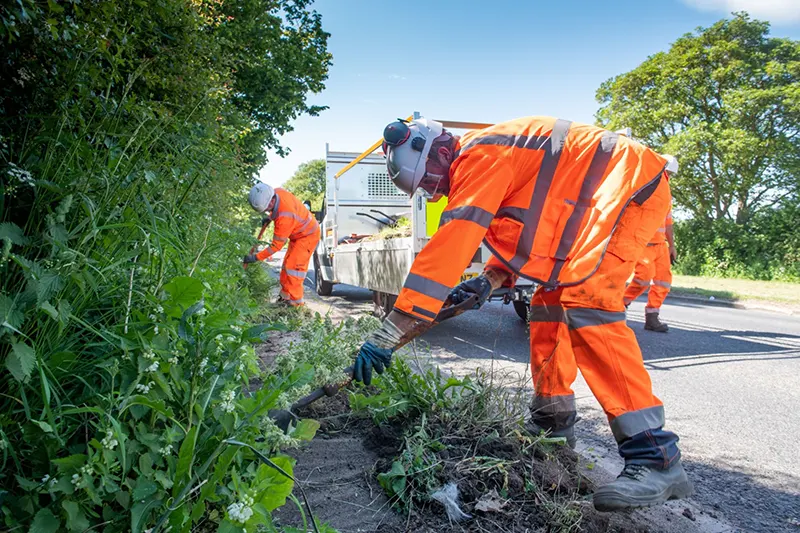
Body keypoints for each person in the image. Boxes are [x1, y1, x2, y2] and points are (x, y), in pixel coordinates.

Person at [351, 116, 692, 512]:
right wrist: (490, 280)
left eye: (431, 181)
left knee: (588, 304)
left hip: (627, 189)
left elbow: (449, 248)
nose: (437, 192)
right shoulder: (492, 156)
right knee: (548, 307)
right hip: (596, 202)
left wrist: (387, 335)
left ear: (440, 153)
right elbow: (535, 234)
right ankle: (553, 424)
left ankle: (656, 457)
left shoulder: (478, 156)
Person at [243, 183, 320, 306]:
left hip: (308, 236)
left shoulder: (285, 217)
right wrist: (270, 217)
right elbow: (278, 209)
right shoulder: (277, 192)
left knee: (293, 269)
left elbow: (276, 246)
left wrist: (256, 257)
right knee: (286, 267)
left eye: (268, 209)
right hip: (298, 234)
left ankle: (296, 306)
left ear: (271, 201)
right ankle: (285, 298)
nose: (268, 211)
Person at [622, 205, 676, 332]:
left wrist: (672, 246)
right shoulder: (644, 190)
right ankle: (622, 303)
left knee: (664, 282)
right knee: (644, 277)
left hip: (661, 246)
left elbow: (668, 223)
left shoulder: (665, 196)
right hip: (642, 244)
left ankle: (652, 317)